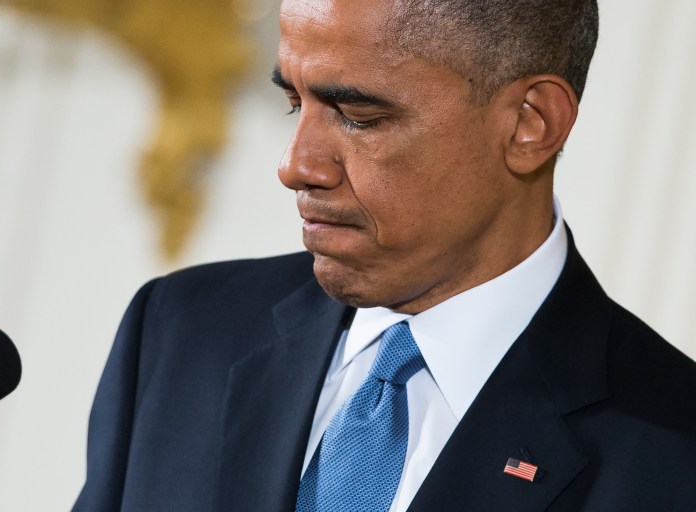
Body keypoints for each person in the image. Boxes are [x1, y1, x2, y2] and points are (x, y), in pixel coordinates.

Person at [73, 0, 696, 510]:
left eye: (359, 116)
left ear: (530, 123)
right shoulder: (182, 330)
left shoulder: (674, 454)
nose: (295, 166)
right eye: (295, 102)